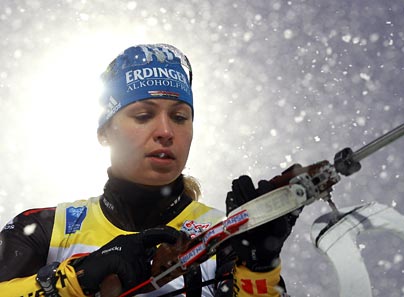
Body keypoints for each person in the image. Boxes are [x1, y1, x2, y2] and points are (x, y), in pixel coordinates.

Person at [0, 44, 300, 296]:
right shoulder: (46, 228)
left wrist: (260, 269)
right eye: (144, 115)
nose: (166, 131)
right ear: (104, 133)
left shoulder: (222, 233)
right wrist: (76, 279)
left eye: (180, 117)